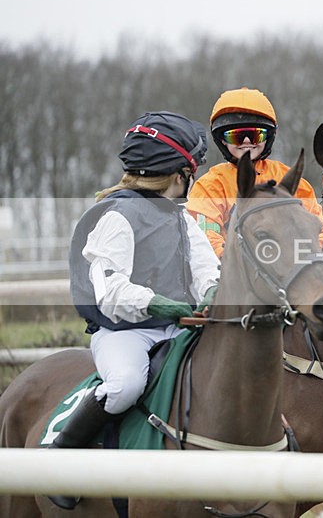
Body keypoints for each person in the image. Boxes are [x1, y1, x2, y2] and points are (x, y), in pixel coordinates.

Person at [51, 111, 220, 510]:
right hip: (124, 332)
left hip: (177, 326)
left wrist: (212, 290)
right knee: (126, 384)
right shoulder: (117, 215)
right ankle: (61, 458)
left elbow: (205, 268)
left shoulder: (180, 218)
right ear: (180, 175)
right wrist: (157, 303)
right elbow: (109, 290)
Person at [186, 87, 323, 257]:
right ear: (222, 140)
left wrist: (300, 258)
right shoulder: (211, 185)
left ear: (268, 138)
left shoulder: (289, 179)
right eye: (235, 136)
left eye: (255, 135)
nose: (246, 141)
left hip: (289, 272)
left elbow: (318, 229)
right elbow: (203, 237)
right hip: (232, 274)